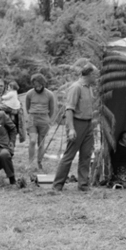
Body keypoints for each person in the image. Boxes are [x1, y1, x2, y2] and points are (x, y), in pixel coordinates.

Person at [52, 61, 98, 192]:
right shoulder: (76, 87)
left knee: (86, 155)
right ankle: (57, 185)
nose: (96, 77)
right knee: (69, 155)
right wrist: (71, 128)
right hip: (77, 123)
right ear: (88, 74)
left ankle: (83, 185)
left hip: (88, 124)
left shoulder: (89, 87)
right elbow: (69, 109)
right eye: (95, 74)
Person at [25, 73, 57, 171]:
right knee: (32, 140)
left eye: (39, 85)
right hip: (33, 118)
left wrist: (48, 120)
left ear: (43, 84)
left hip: (44, 119)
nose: (37, 88)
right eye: (35, 85)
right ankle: (30, 163)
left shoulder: (49, 94)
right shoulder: (29, 93)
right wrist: (31, 116)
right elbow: (27, 107)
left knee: (41, 143)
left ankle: (39, 163)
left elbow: (52, 109)